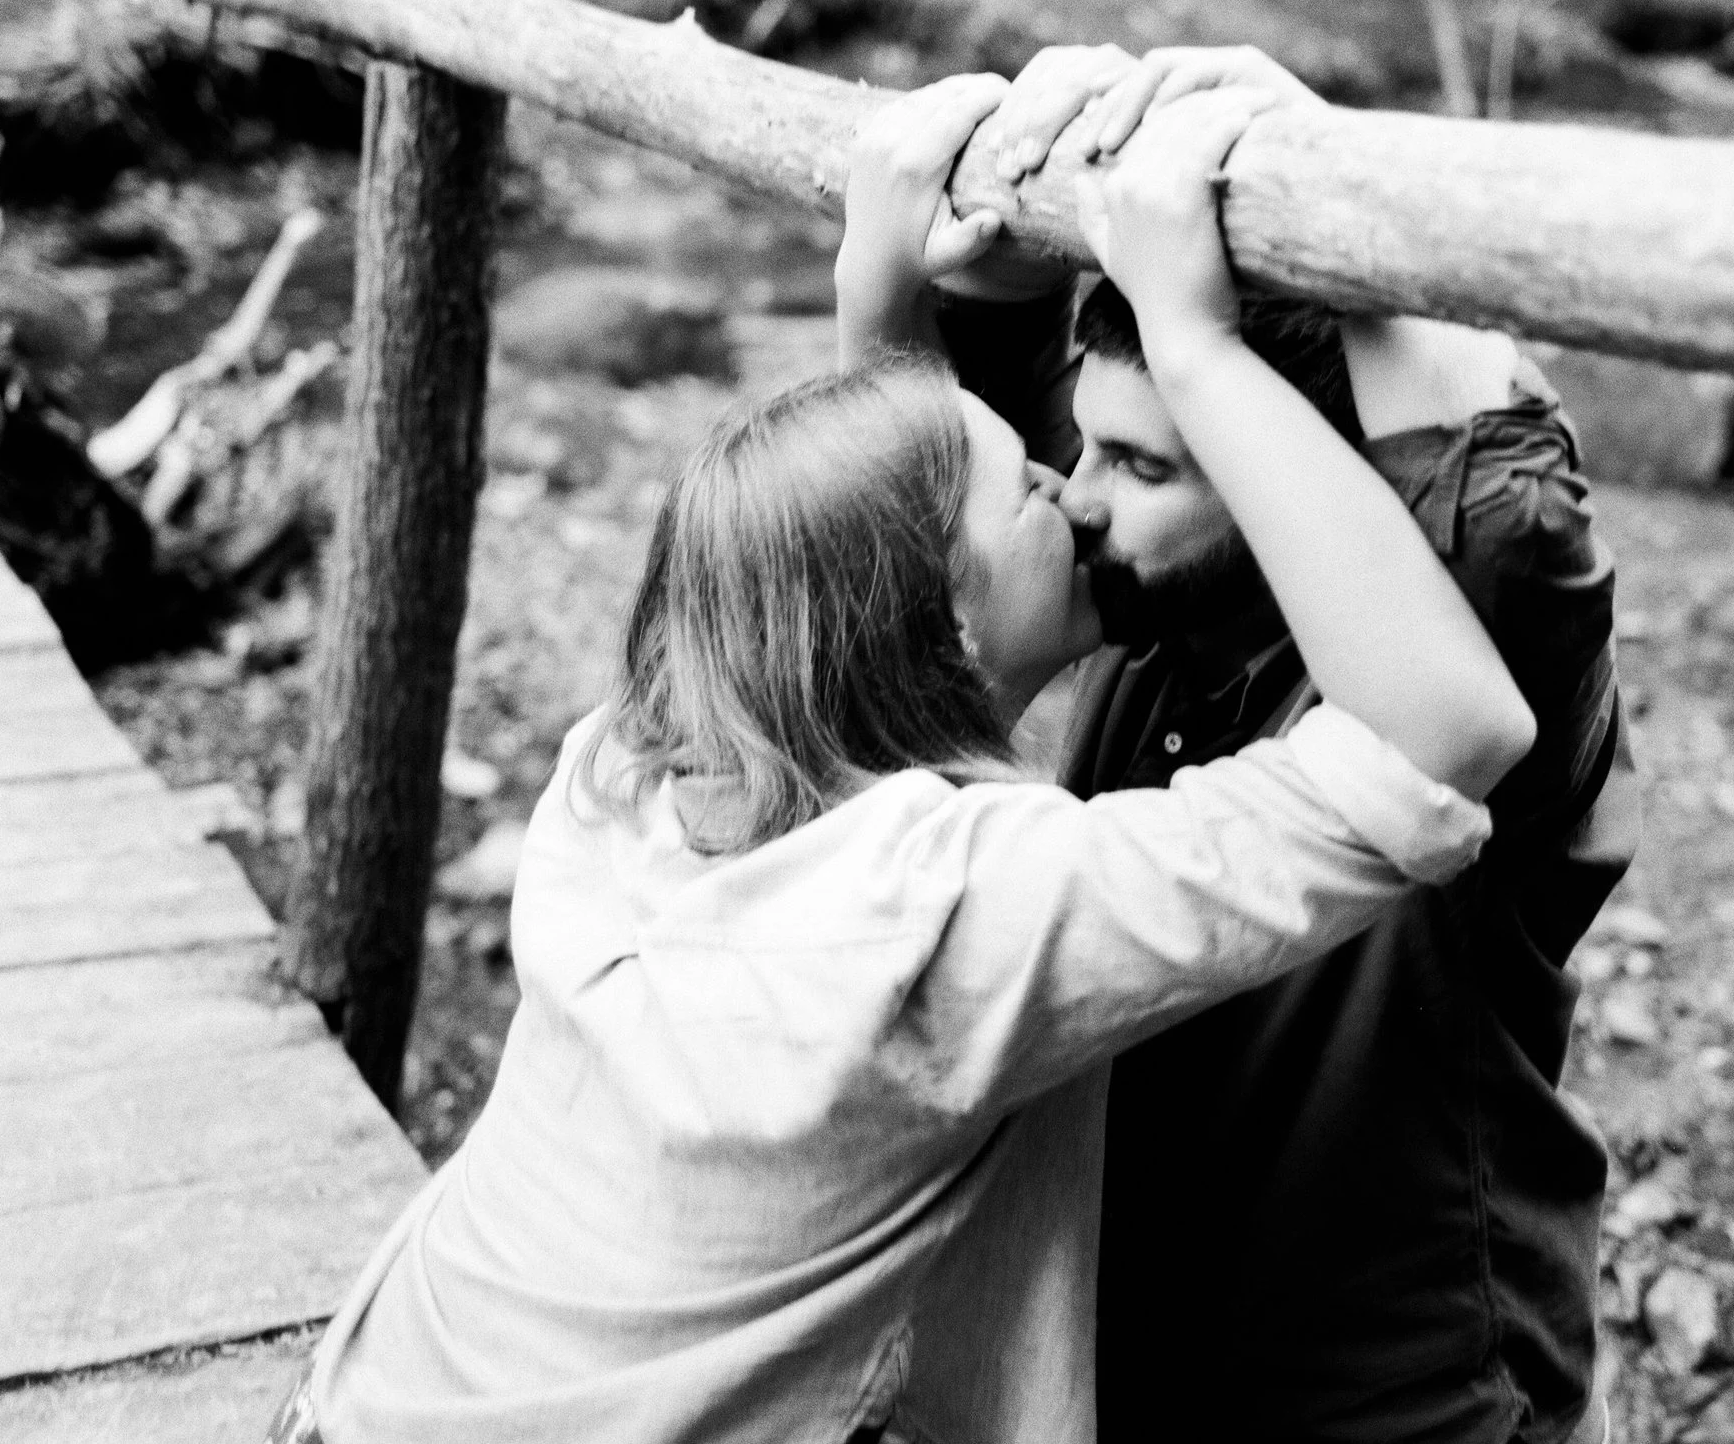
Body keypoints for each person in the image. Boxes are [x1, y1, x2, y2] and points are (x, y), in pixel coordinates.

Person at [276, 74, 1541, 1444]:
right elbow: (1449, 735)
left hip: (370, 1393)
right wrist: (1194, 349)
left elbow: (841, 550)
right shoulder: (958, 908)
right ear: (934, 614)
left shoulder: (635, 768)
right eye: (1033, 483)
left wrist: (873, 285)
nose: (1075, 490)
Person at [862, 44, 1637, 1444]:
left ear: (1300, 486)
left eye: (1146, 465)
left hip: (1408, 1405)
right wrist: (946, 263)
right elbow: (956, 539)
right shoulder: (1161, 610)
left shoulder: (1442, 667)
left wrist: (1313, 145)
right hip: (1153, 1368)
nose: (1079, 500)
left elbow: (1514, 508)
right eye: (1089, 451)